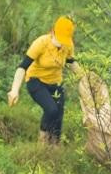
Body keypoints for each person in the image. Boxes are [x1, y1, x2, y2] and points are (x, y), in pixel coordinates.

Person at [8, 16, 77, 145]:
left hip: (55, 82)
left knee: (59, 113)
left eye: (64, 41)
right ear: (52, 32)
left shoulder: (68, 45)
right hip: (36, 80)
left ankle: (55, 145)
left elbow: (71, 62)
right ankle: (42, 143)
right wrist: (14, 90)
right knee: (51, 109)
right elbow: (22, 67)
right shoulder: (41, 43)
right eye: (59, 40)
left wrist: (85, 78)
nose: (62, 43)